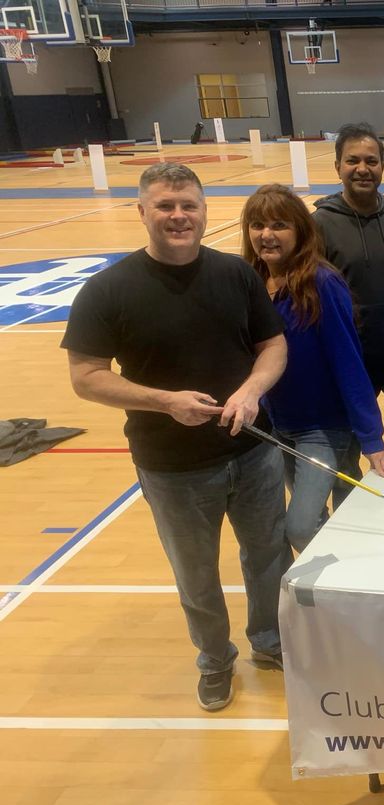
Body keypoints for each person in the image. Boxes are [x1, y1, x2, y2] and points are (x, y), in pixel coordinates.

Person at [61, 163, 293, 712]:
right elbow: (86, 376)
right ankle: (215, 660)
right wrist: (164, 401)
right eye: (165, 205)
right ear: (141, 212)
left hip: (252, 451)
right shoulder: (108, 290)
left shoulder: (235, 274)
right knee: (196, 574)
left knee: (268, 555)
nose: (178, 216)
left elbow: (273, 346)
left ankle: (270, 641)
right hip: (173, 468)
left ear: (205, 211)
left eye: (188, 205)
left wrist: (251, 392)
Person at [241, 183, 384, 553]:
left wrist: (372, 437)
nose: (266, 234)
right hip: (277, 428)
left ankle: (355, 566)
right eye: (258, 225)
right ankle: (345, 569)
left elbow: (348, 361)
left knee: (300, 526)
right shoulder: (249, 283)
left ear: (300, 231)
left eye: (279, 225)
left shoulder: (321, 283)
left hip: (323, 429)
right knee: (329, 514)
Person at [313, 122, 384, 396]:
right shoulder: (318, 226)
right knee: (356, 426)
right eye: (352, 161)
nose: (362, 169)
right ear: (337, 166)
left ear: (382, 166)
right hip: (348, 357)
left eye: (371, 161)